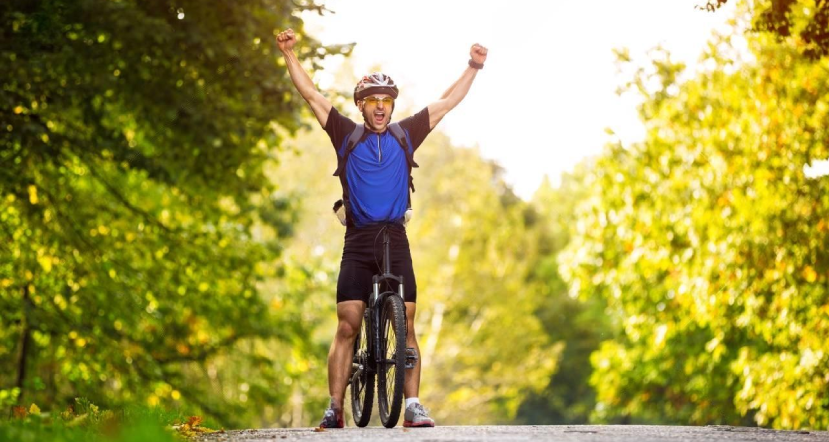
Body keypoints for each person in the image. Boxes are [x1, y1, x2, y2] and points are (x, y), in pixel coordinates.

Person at [276, 28, 487, 428]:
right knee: (347, 324)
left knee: (406, 322)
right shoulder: (345, 134)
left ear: (392, 107)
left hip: (395, 238)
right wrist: (289, 54)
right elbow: (312, 96)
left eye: (385, 102)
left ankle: (412, 405)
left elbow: (447, 103)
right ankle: (335, 408)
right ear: (361, 106)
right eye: (371, 101)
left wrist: (473, 66)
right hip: (357, 241)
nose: (379, 107)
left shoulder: (406, 134)